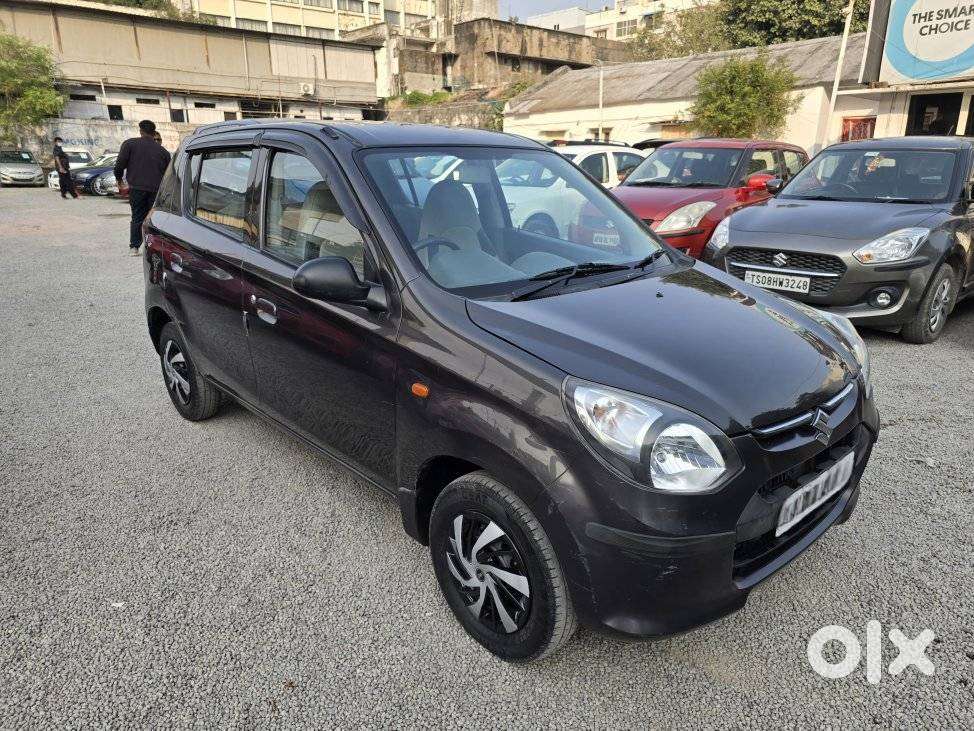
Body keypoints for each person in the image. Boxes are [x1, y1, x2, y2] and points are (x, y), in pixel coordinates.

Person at [114, 119, 171, 256]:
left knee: (137, 217)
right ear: (153, 132)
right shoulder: (163, 152)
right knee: (154, 218)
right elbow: (168, 174)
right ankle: (154, 247)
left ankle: (134, 247)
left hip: (137, 189)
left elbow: (120, 164)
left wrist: (119, 180)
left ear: (141, 131)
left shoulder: (129, 144)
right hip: (156, 191)